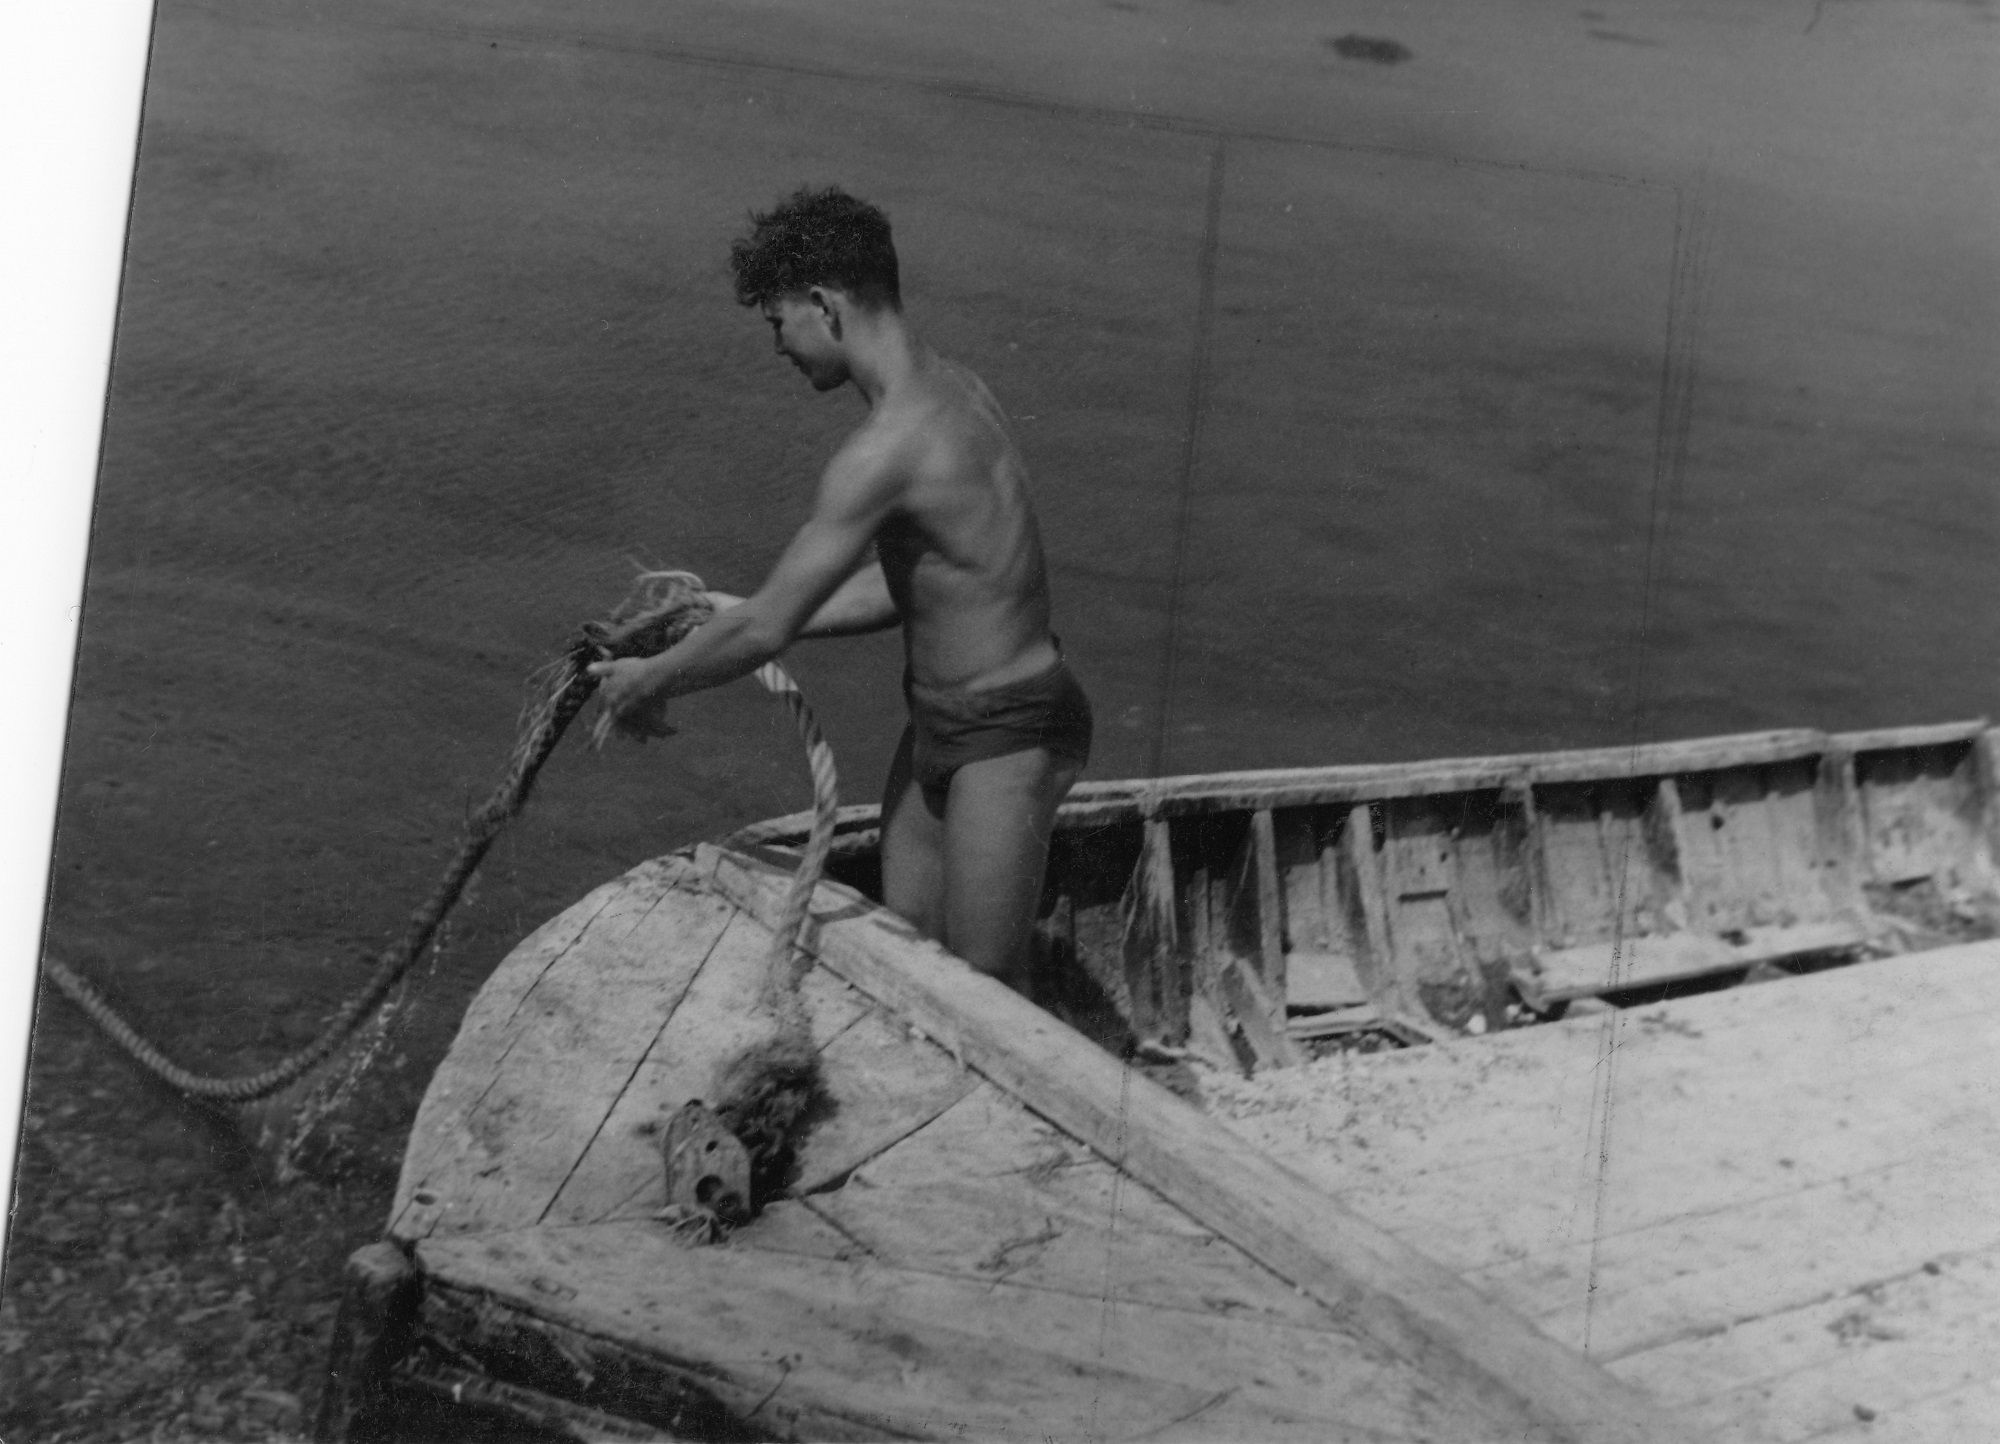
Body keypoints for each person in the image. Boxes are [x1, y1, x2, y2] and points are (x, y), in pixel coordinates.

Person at [588, 186, 1091, 995]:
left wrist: (649, 680)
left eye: (777, 322)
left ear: (823, 305)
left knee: (987, 993)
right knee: (911, 959)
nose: (778, 347)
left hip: (1013, 732)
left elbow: (767, 630)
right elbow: (914, 590)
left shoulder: (887, 447)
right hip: (938, 727)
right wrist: (713, 622)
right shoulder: (957, 391)